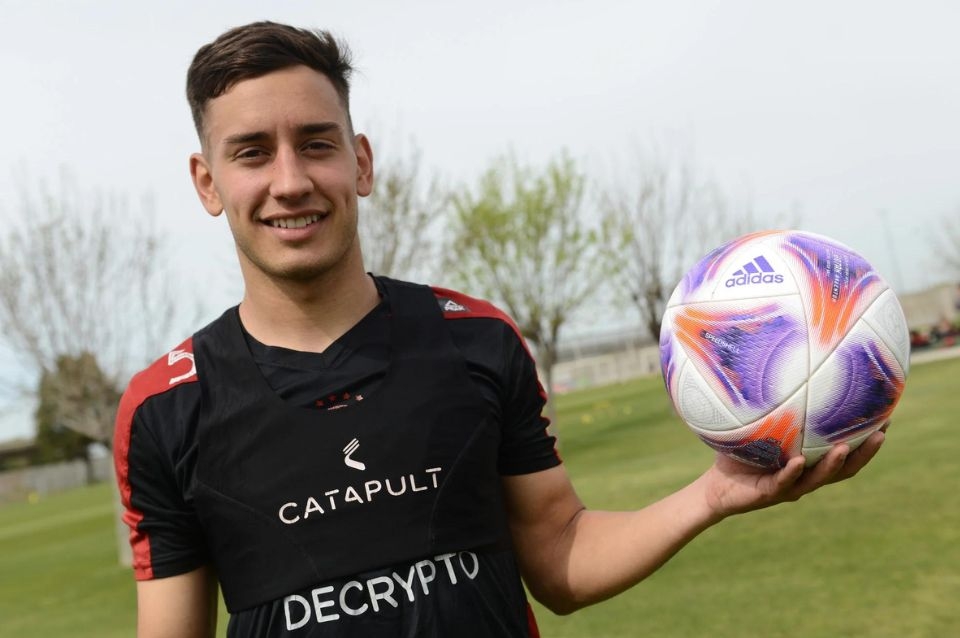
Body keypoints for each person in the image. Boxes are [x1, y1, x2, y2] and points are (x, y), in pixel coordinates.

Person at [113, 21, 886, 638]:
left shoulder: (475, 341)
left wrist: (712, 495)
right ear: (208, 183)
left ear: (361, 163)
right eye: (252, 153)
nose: (290, 180)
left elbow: (560, 558)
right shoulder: (165, 409)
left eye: (316, 143)